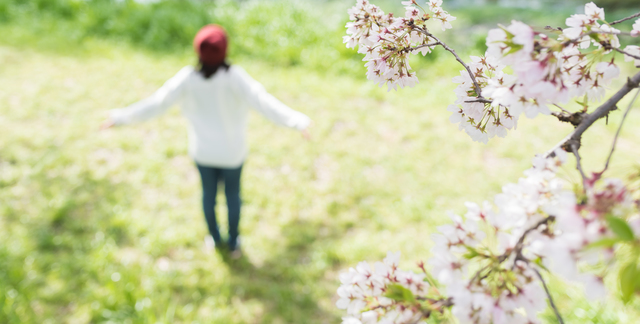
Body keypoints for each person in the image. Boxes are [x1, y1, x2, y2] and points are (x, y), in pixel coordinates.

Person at [101, 25, 311, 257]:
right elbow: (264, 101)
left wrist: (120, 117)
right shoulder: (235, 77)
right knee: (233, 196)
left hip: (203, 152)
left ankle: (214, 237)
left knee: (208, 196)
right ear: (225, 50)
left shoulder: (187, 79)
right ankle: (234, 243)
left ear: (197, 51)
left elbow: (156, 103)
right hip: (232, 153)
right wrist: (297, 121)